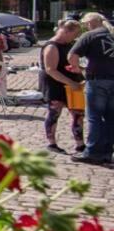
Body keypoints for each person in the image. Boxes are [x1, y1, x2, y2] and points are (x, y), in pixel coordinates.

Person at [69, 12, 114, 166]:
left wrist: (77, 68)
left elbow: (72, 56)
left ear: (90, 23)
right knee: (110, 119)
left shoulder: (90, 35)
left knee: (94, 117)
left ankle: (93, 152)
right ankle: (107, 153)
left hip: (97, 81)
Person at [39, 20, 84, 154]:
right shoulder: (52, 46)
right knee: (54, 113)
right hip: (55, 84)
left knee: (78, 114)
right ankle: (52, 143)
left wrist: (79, 70)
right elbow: (51, 69)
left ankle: (80, 144)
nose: (75, 37)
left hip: (72, 83)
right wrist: (71, 83)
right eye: (74, 34)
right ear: (66, 31)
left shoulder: (69, 44)